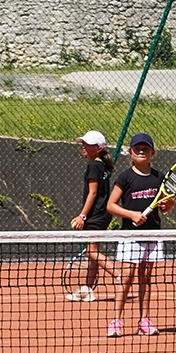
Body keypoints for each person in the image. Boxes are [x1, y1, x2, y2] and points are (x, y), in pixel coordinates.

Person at [105, 132, 172, 338]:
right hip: (130, 235)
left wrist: (167, 204)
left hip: (152, 234)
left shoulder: (160, 178)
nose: (141, 151)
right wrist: (132, 214)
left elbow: (167, 205)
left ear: (153, 152)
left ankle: (144, 320)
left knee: (145, 277)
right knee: (126, 277)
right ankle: (116, 321)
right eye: (137, 149)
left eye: (145, 148)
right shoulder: (125, 177)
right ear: (131, 153)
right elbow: (111, 205)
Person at [66, 129, 115, 302]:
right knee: (92, 253)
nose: (84, 147)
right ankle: (88, 289)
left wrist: (82, 216)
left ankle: (120, 275)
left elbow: (92, 193)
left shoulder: (94, 166)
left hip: (95, 215)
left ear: (98, 148)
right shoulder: (102, 166)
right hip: (103, 215)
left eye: (88, 145)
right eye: (83, 144)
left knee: (91, 252)